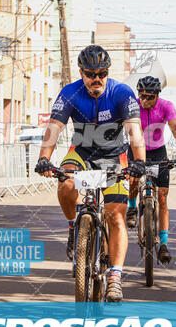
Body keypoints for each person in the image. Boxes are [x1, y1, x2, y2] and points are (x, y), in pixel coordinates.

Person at [35, 45, 146, 302]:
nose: (97, 79)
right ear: (81, 72)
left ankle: (115, 278)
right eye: (90, 73)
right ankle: (74, 225)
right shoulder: (70, 93)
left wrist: (138, 161)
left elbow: (134, 131)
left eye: (102, 73)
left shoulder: (121, 92)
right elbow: (54, 129)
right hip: (82, 152)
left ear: (108, 73)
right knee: (65, 181)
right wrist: (44, 158)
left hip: (113, 155)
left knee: (116, 215)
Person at [126, 76, 176, 265]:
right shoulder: (133, 105)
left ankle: (163, 244)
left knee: (162, 197)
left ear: (158, 95)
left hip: (158, 152)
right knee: (132, 179)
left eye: (150, 97)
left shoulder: (166, 106)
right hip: (135, 150)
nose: (145, 101)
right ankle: (132, 206)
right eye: (142, 96)